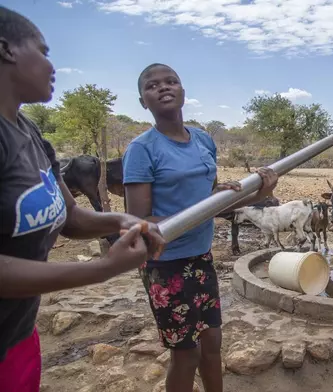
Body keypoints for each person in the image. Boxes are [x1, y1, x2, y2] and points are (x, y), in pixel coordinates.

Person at [0, 6, 165, 392]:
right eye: (43, 51)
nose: (52, 65)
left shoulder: (31, 134)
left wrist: (118, 221)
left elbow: (69, 216)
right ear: (5, 49)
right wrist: (102, 269)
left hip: (18, 333)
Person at [123, 63, 278, 392]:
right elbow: (139, 224)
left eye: (171, 81)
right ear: (142, 101)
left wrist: (260, 193)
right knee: (187, 354)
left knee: (212, 345)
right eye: (152, 85)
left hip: (200, 257)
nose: (164, 87)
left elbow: (214, 203)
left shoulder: (204, 140)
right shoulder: (142, 149)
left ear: (183, 92)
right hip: (165, 264)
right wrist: (201, 207)